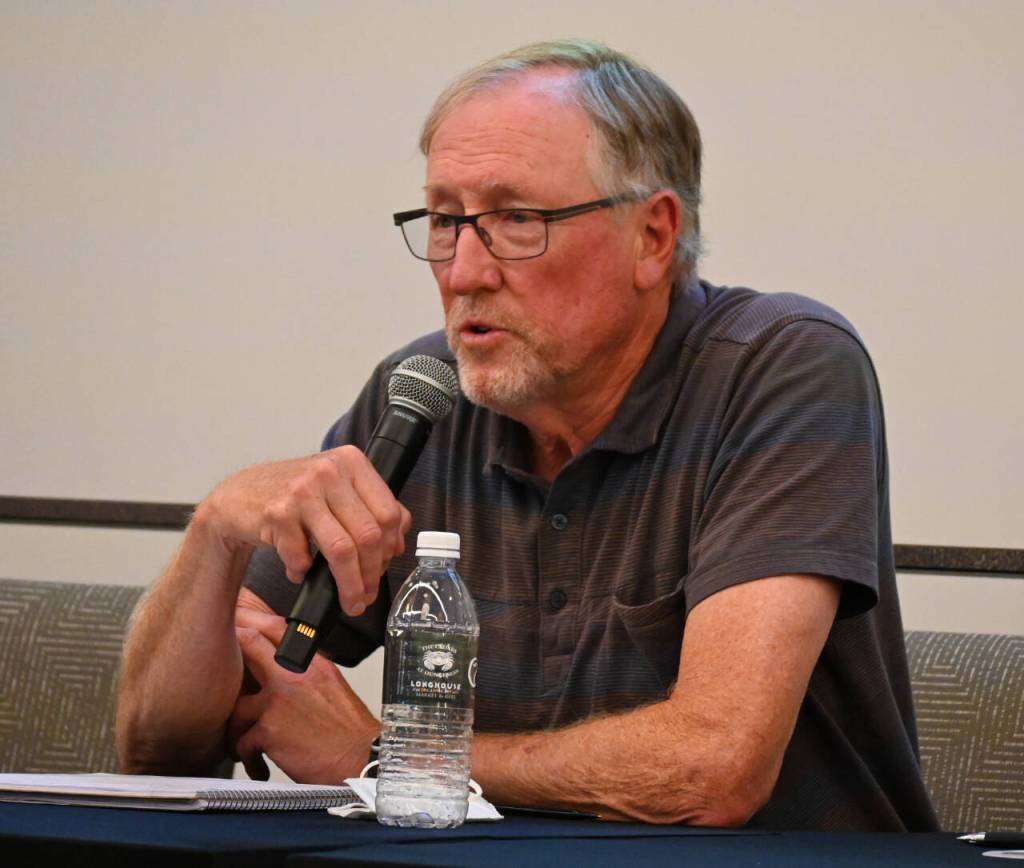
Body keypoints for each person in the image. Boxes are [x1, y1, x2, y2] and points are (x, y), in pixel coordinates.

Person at [116, 39, 938, 831]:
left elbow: (712, 771)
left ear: (652, 236)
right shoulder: (425, 394)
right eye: (444, 220)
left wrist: (383, 754)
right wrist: (218, 535)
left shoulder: (781, 366)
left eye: (515, 219)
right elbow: (158, 747)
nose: (465, 273)